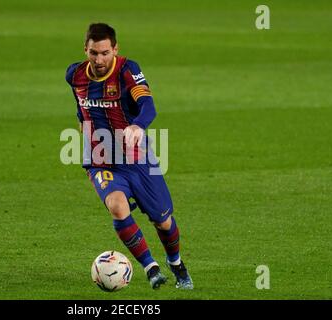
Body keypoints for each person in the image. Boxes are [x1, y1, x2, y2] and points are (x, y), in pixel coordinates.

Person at [65, 23, 193, 290]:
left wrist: (137, 126)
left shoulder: (126, 70)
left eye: (104, 53)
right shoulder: (74, 74)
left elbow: (148, 105)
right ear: (85, 50)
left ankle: (176, 263)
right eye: (93, 53)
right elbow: (80, 105)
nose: (99, 60)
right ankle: (151, 268)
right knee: (116, 205)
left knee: (162, 220)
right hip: (99, 158)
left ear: (115, 49)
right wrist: (82, 123)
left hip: (138, 158)